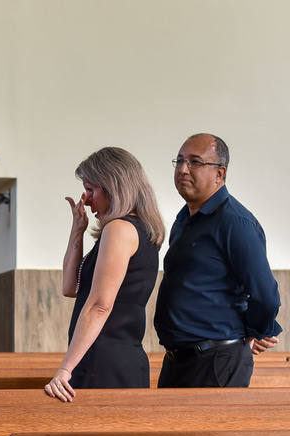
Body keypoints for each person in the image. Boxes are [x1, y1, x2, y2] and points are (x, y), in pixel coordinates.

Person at [154, 133, 281, 388]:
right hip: (178, 360)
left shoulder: (236, 223)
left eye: (195, 162)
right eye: (179, 161)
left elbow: (266, 296)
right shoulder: (183, 221)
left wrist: (255, 331)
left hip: (216, 362)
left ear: (220, 174)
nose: (183, 169)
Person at [44, 147, 164, 401]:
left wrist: (65, 369)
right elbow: (69, 288)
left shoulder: (120, 229)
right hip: (111, 357)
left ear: (114, 186)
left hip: (105, 361)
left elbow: (99, 306)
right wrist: (77, 230)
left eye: (91, 190)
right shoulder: (134, 230)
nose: (86, 200)